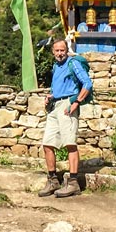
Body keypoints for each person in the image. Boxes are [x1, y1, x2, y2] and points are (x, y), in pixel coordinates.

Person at [38, 39, 92, 198]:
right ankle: (53, 180)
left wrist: (76, 102)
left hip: (68, 105)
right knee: (47, 144)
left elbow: (87, 84)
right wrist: (50, 96)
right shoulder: (56, 66)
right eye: (57, 51)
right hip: (55, 107)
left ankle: (73, 183)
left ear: (67, 50)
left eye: (62, 50)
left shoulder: (73, 63)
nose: (60, 53)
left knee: (70, 144)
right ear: (53, 52)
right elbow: (59, 87)